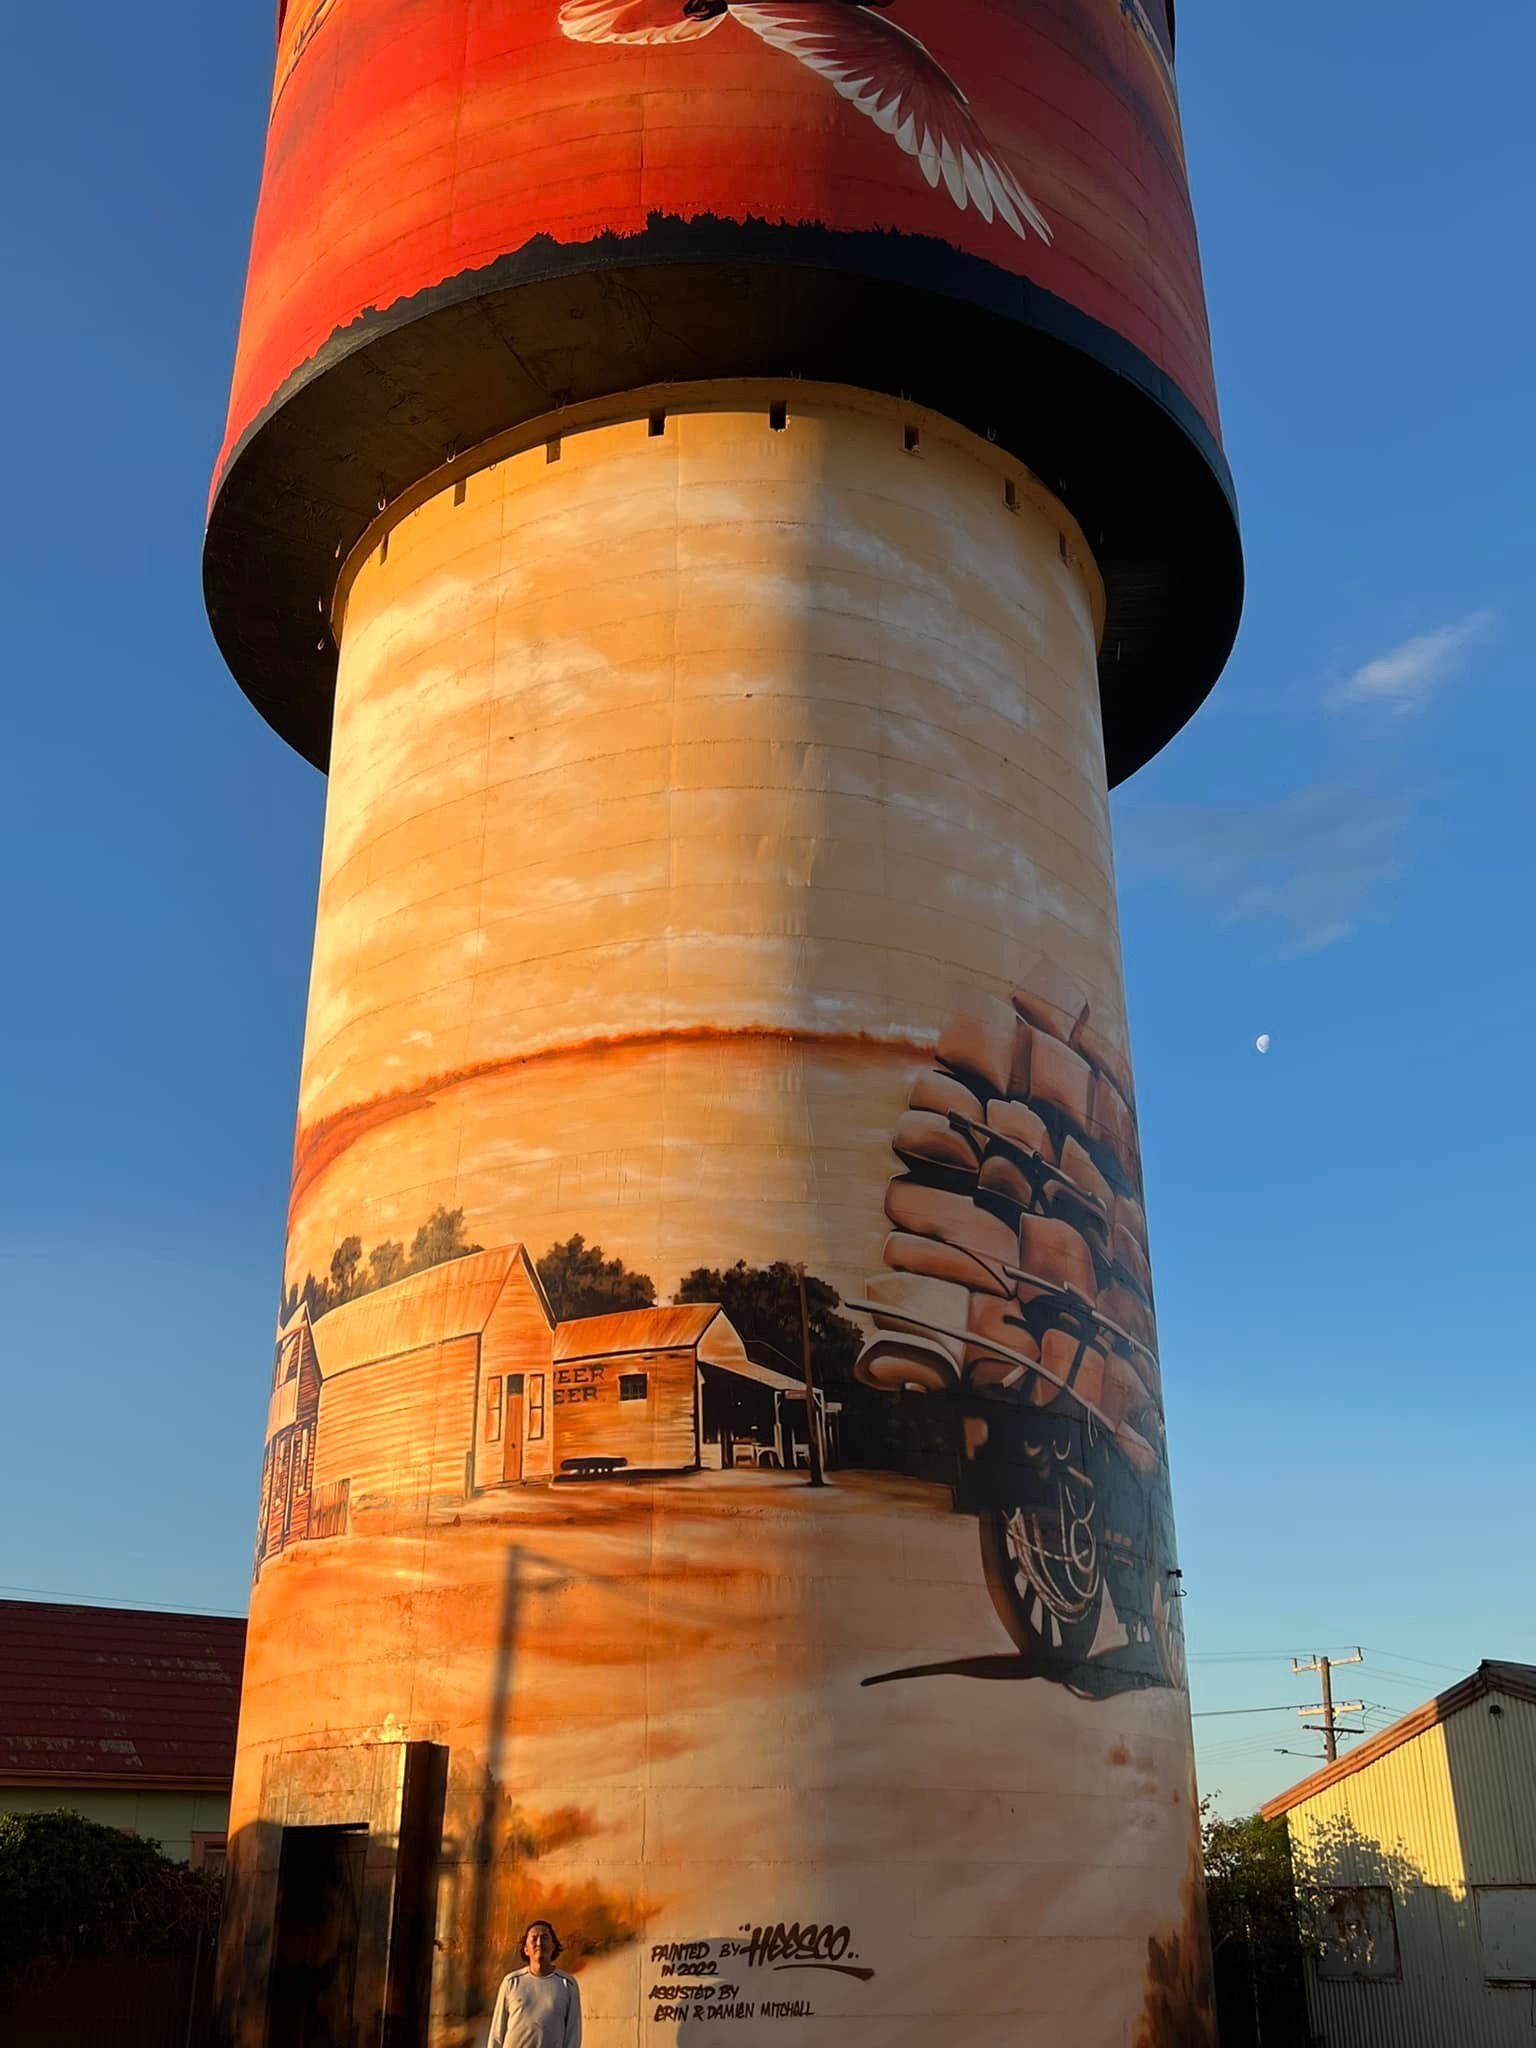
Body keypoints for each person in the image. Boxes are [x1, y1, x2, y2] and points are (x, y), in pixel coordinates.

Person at [488, 1921, 582, 2048]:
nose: (539, 1943)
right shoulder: (511, 1982)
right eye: (534, 1939)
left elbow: (573, 2035)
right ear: (526, 1949)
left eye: (544, 1938)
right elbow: (497, 2033)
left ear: (553, 1946)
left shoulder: (567, 1984)